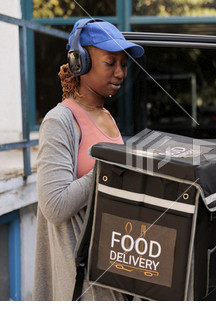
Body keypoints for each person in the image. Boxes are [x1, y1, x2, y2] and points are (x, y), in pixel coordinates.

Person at [33, 18, 144, 301]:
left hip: (114, 264)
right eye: (110, 63)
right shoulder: (59, 121)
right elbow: (55, 206)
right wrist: (111, 168)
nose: (120, 73)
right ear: (80, 63)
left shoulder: (106, 116)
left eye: (124, 63)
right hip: (82, 283)